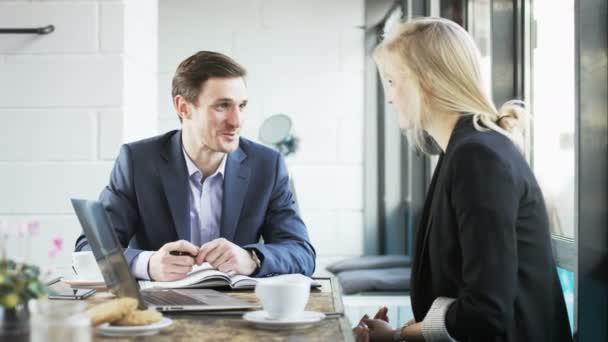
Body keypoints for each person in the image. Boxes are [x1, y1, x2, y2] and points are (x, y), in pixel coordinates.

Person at [354, 17, 572, 342]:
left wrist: (399, 336)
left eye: (390, 81)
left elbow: (484, 313)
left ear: (423, 81)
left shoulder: (477, 157)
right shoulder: (462, 151)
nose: (389, 97)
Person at [75, 51, 316, 281]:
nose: (236, 121)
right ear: (183, 107)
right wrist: (148, 264)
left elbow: (302, 253)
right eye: (222, 106)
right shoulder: (138, 161)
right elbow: (89, 250)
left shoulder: (267, 165)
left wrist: (251, 259)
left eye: (241, 106)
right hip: (160, 313)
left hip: (240, 311)